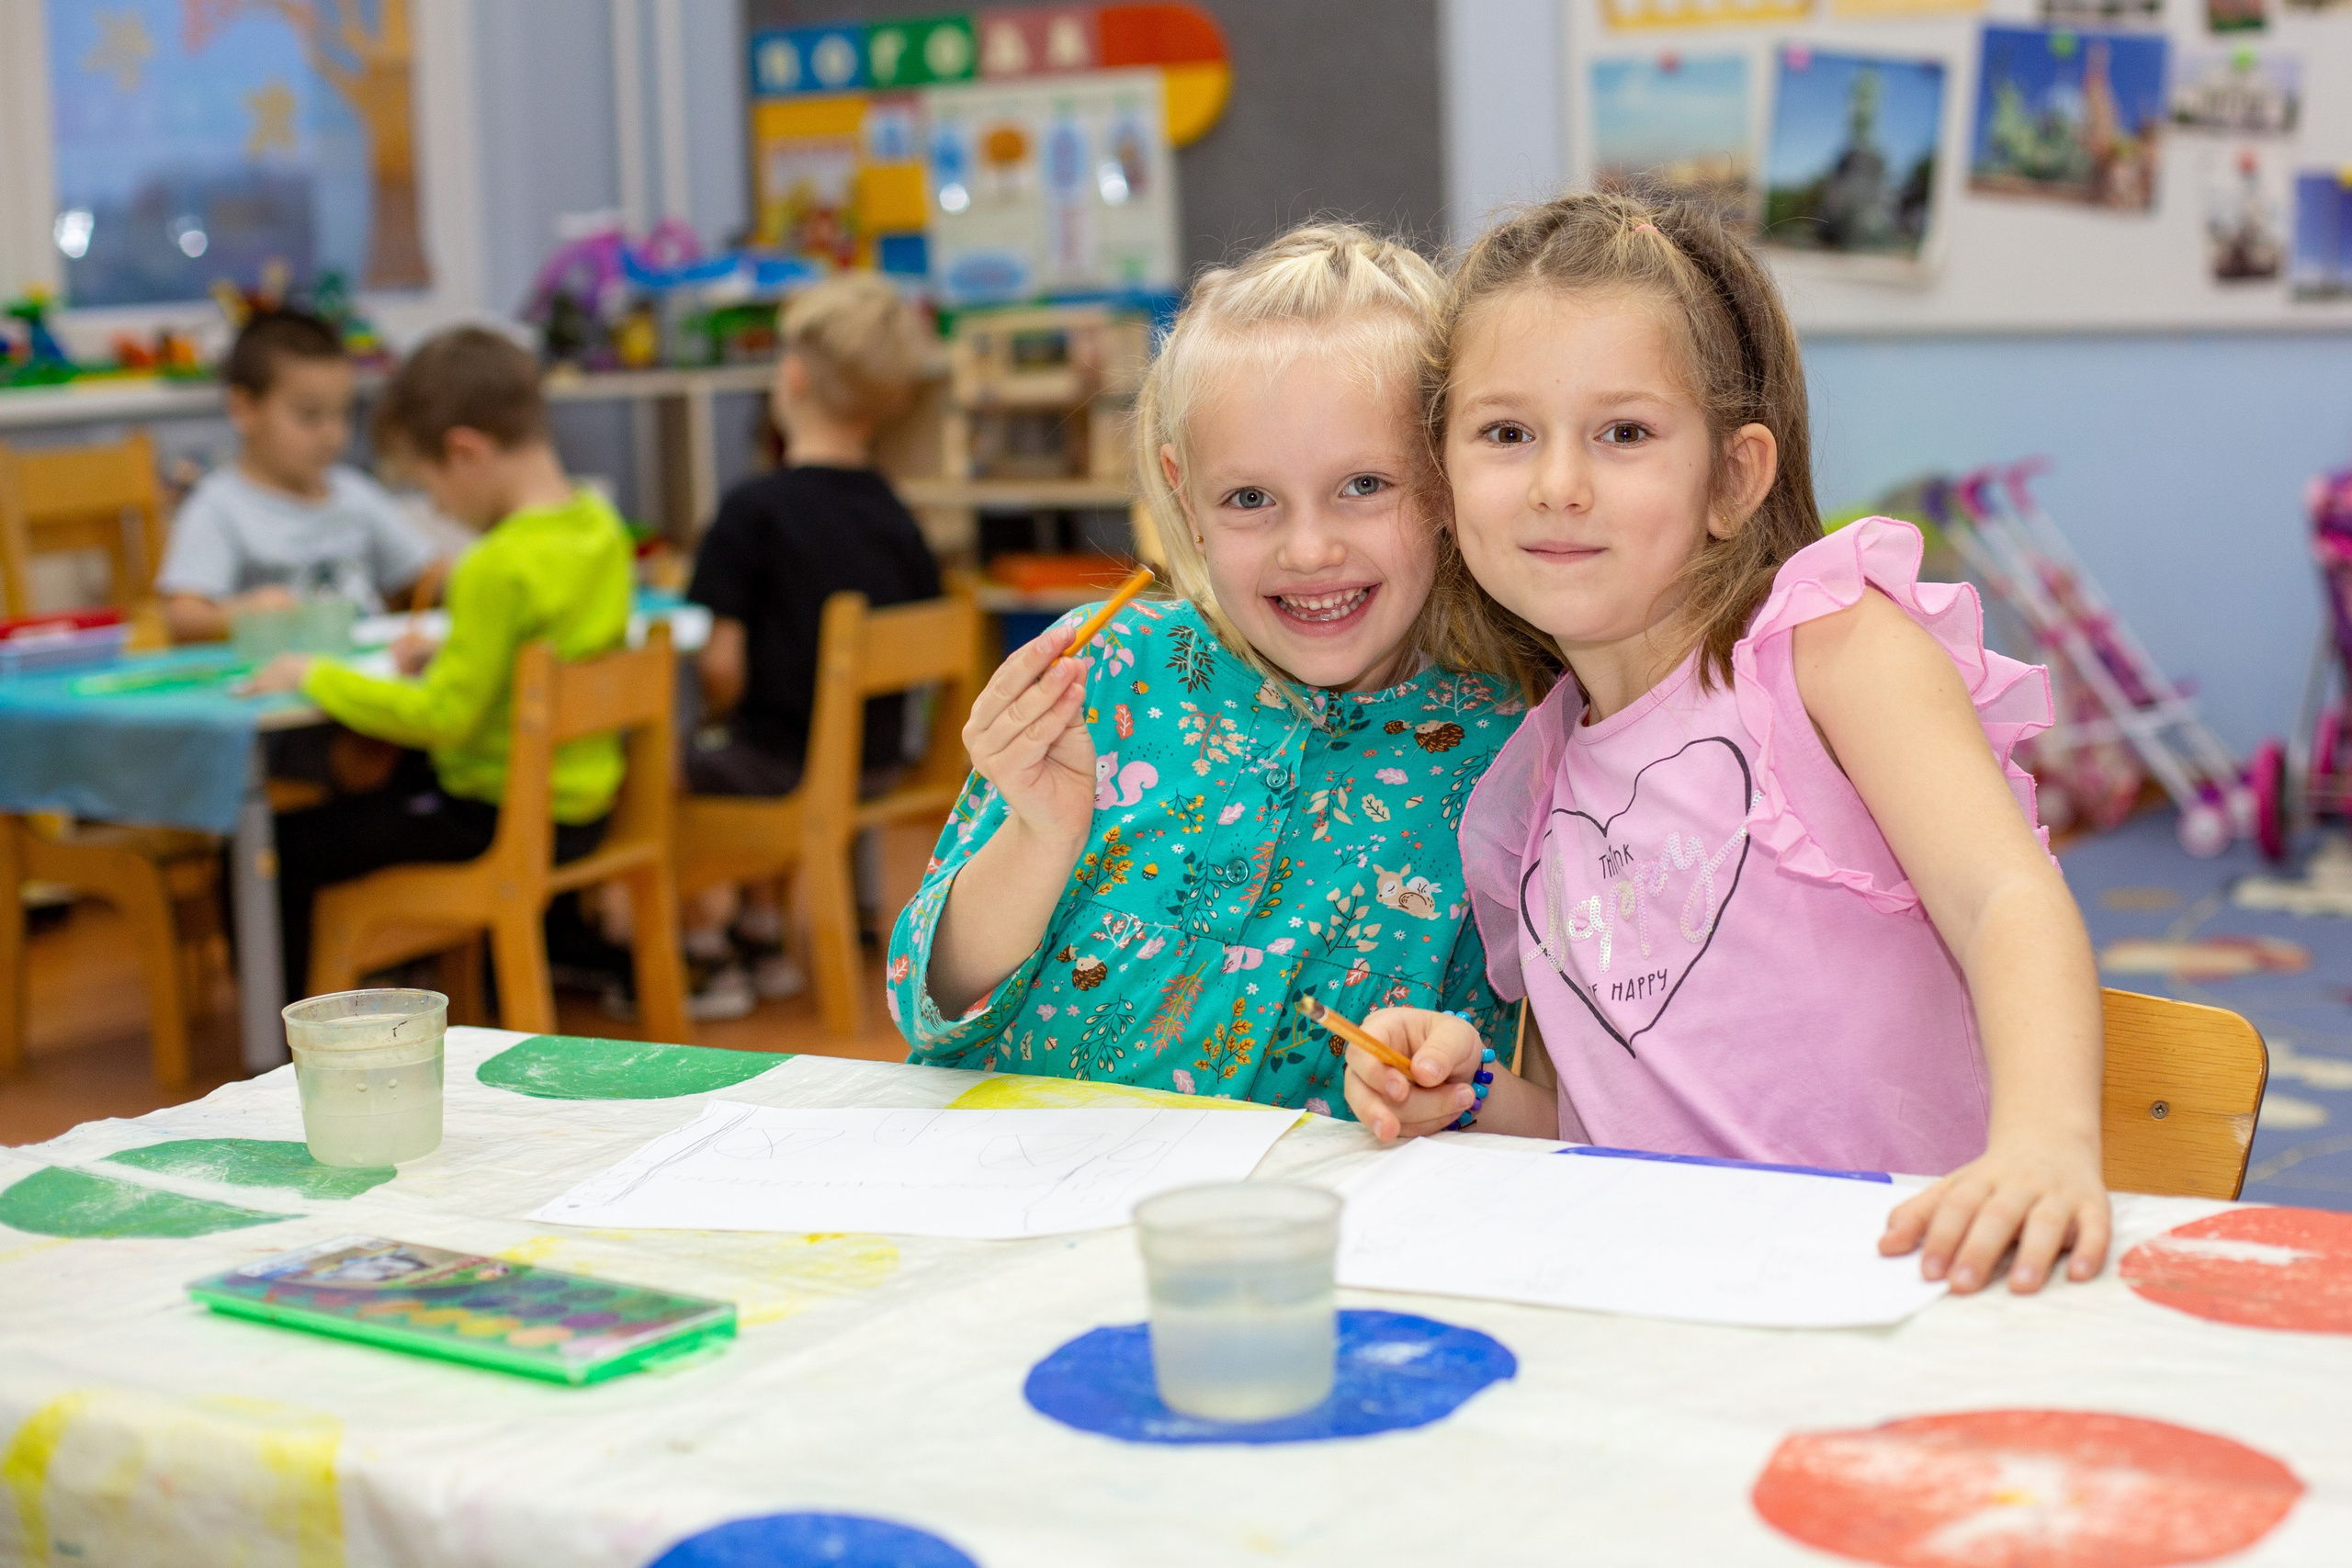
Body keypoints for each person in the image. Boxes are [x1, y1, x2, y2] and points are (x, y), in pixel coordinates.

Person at [1342, 191, 2111, 1297]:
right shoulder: (1534, 781)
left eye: (1624, 433)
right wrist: (1465, 1099)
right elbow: (1605, 1132)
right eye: (1506, 434)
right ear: (1445, 479)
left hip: (1902, 1288)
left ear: (1734, 478)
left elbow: (2005, 898)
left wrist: (2045, 1145)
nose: (1558, 486)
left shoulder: (1830, 651)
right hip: (1667, 1303)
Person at [887, 224, 1532, 1112]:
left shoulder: (1503, 754)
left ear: (1447, 484)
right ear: (1185, 498)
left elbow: (1483, 1082)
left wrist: (1445, 1084)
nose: (1309, 549)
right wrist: (1038, 838)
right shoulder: (1103, 673)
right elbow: (927, 1003)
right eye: (1250, 498)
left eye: (1364, 486)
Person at [243, 327, 633, 998]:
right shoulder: (600, 527)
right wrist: (452, 650)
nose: (438, 509)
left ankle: (289, 1033)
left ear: (465, 452)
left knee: (277, 849)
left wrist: (315, 676)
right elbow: (550, 647)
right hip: (584, 810)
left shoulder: (491, 565)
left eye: (431, 488)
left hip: (493, 819)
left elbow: (444, 716)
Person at [676, 274, 941, 1017]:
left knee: (672, 767)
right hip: (880, 761)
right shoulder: (896, 513)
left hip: (792, 766)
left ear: (791, 377)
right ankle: (763, 932)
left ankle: (708, 953)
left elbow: (721, 665)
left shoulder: (751, 510)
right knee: (753, 743)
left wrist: (716, 712)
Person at [157, 310, 440, 644]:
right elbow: (182, 619)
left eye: (342, 413)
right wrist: (241, 614)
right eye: (309, 416)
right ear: (244, 409)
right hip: (277, 672)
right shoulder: (219, 506)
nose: (332, 435)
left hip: (362, 667)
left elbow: (428, 577)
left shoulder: (354, 492)